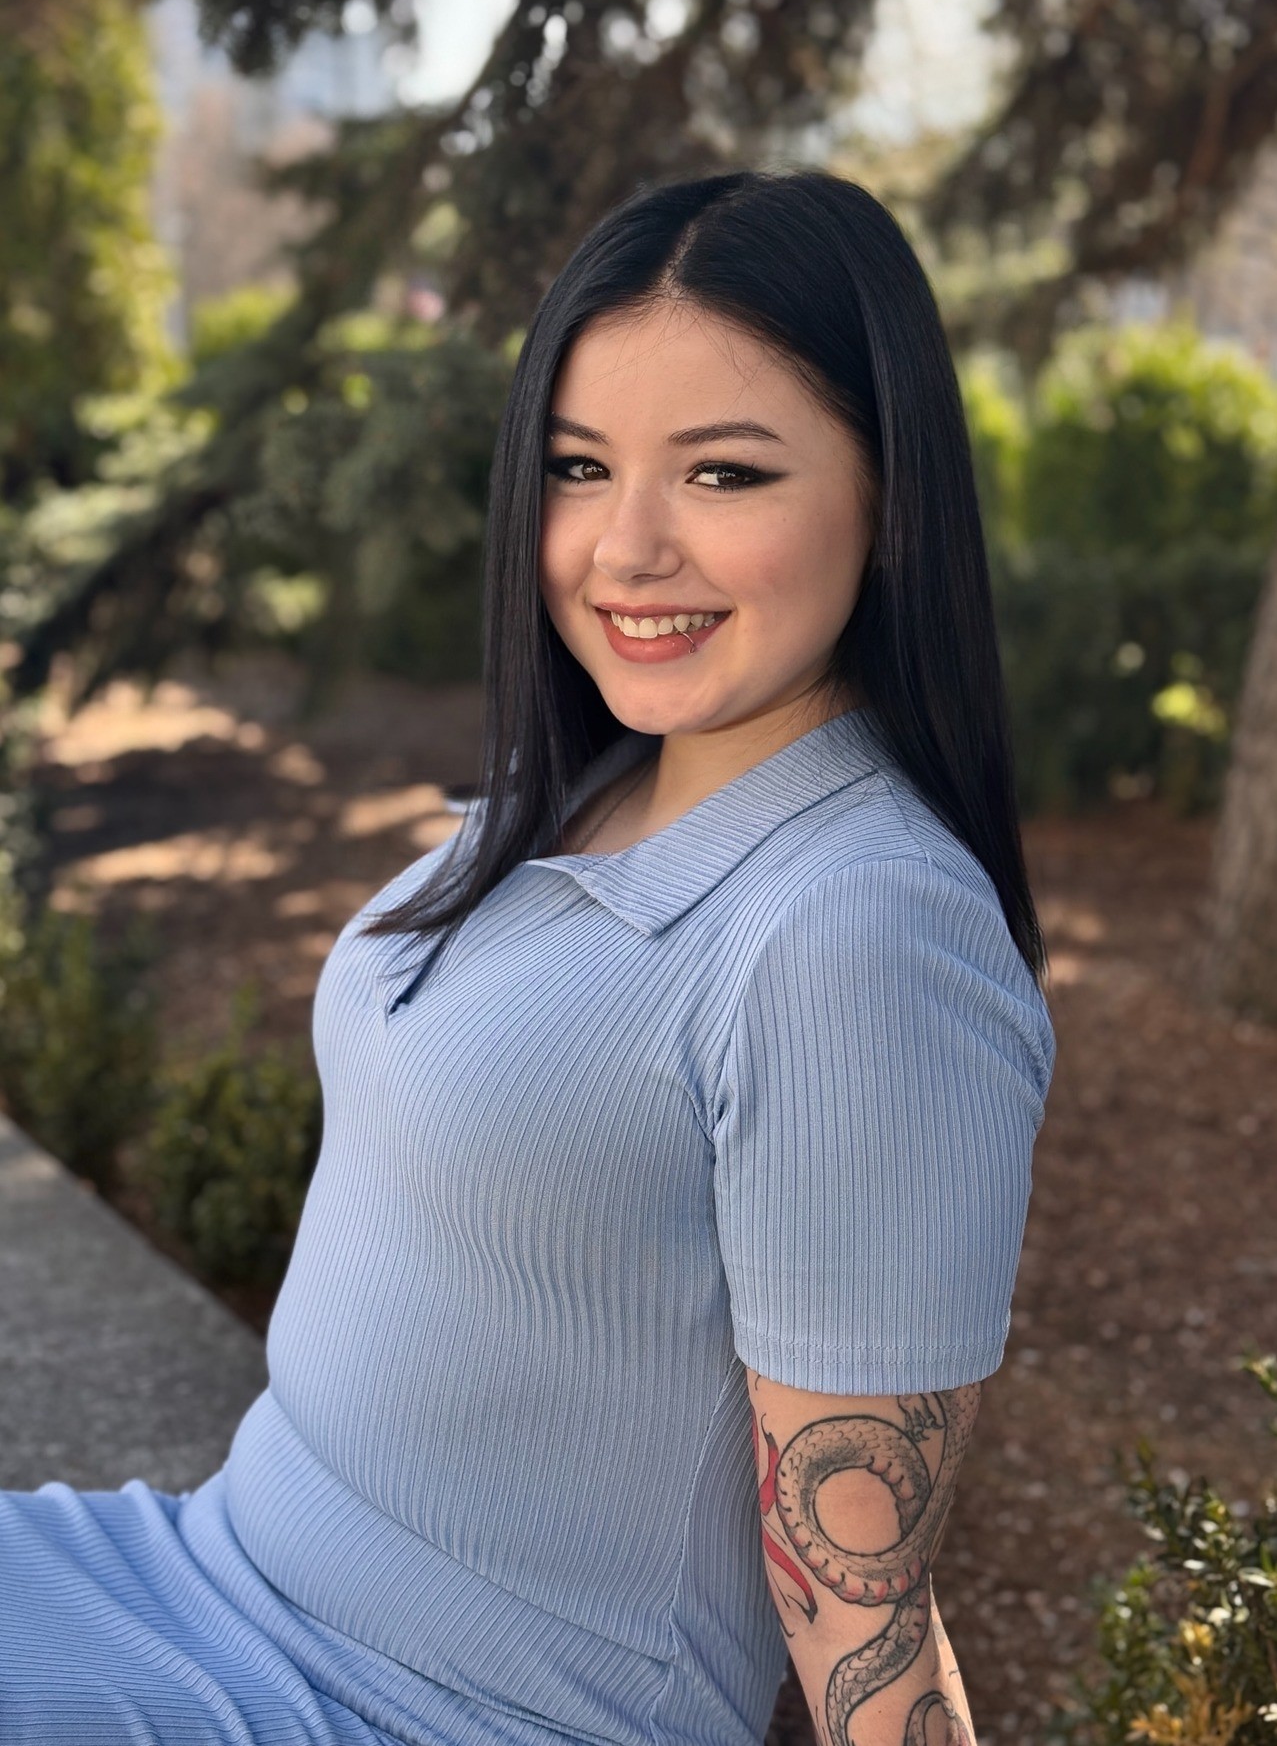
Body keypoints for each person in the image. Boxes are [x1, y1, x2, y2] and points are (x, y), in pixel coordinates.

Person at [0, 169, 1055, 1746]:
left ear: (887, 498)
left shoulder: (858, 928)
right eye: (577, 467)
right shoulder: (592, 782)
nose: (624, 548)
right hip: (197, 1575)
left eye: (722, 473)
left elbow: (861, 1612)